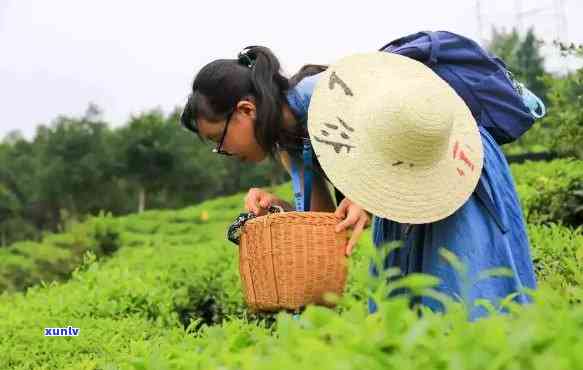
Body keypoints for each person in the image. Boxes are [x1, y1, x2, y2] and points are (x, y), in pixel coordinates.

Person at [180, 32, 541, 320]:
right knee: (412, 313)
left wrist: (365, 196)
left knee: (471, 295)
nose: (222, 152)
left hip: (446, 164)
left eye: (218, 139)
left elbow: (415, 128)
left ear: (245, 110)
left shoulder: (327, 93)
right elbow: (324, 225)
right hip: (403, 200)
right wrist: (280, 209)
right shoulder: (288, 143)